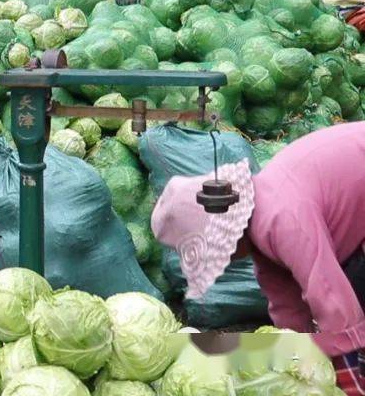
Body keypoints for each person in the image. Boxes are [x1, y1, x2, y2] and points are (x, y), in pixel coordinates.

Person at [151, 121, 365, 394]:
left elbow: (330, 298)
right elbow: (284, 299)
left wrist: (348, 384)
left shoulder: (283, 219)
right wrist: (296, 356)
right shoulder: (260, 221)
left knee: (353, 293)